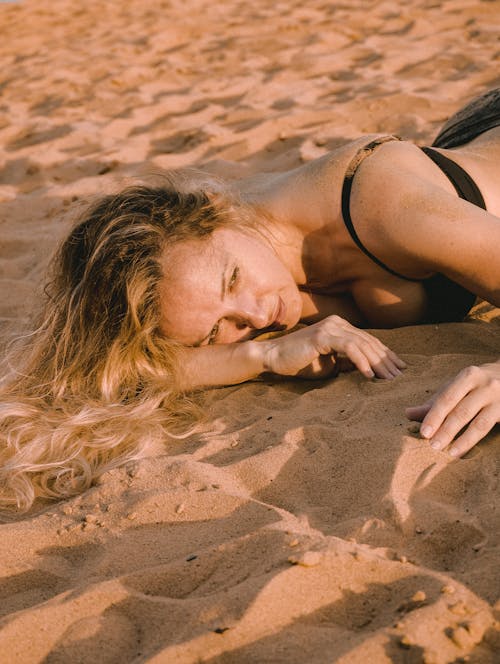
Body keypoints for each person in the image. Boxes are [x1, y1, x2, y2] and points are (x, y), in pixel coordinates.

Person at [1, 88, 499, 513]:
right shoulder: (206, 258)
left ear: (219, 214)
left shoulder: (383, 206)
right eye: (218, 331)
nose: (259, 315)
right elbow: (123, 370)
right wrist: (258, 355)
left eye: (233, 280)